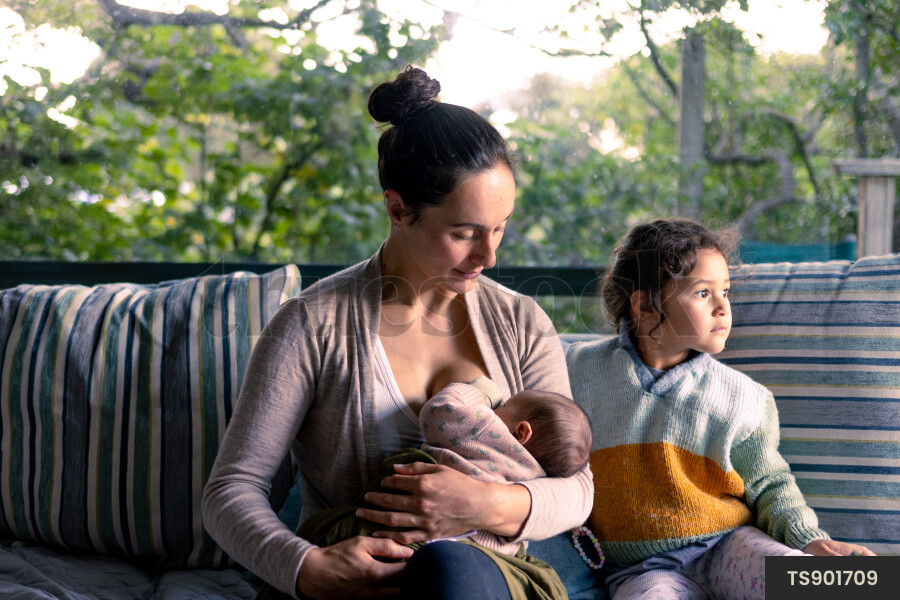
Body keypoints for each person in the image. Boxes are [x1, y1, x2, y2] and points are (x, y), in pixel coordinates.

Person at [201, 65, 592, 600]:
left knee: (449, 575)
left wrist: (481, 505)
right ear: (398, 209)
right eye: (464, 233)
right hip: (353, 583)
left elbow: (577, 489)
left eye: (500, 228)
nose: (490, 256)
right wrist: (306, 567)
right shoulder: (310, 325)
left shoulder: (522, 324)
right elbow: (230, 490)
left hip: (479, 579)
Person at [566, 218, 875, 600]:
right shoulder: (578, 371)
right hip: (644, 570)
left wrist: (809, 541)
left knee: (834, 582)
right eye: (702, 294)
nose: (723, 308)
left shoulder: (745, 397)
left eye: (725, 292)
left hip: (729, 546)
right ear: (645, 305)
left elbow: (771, 485)